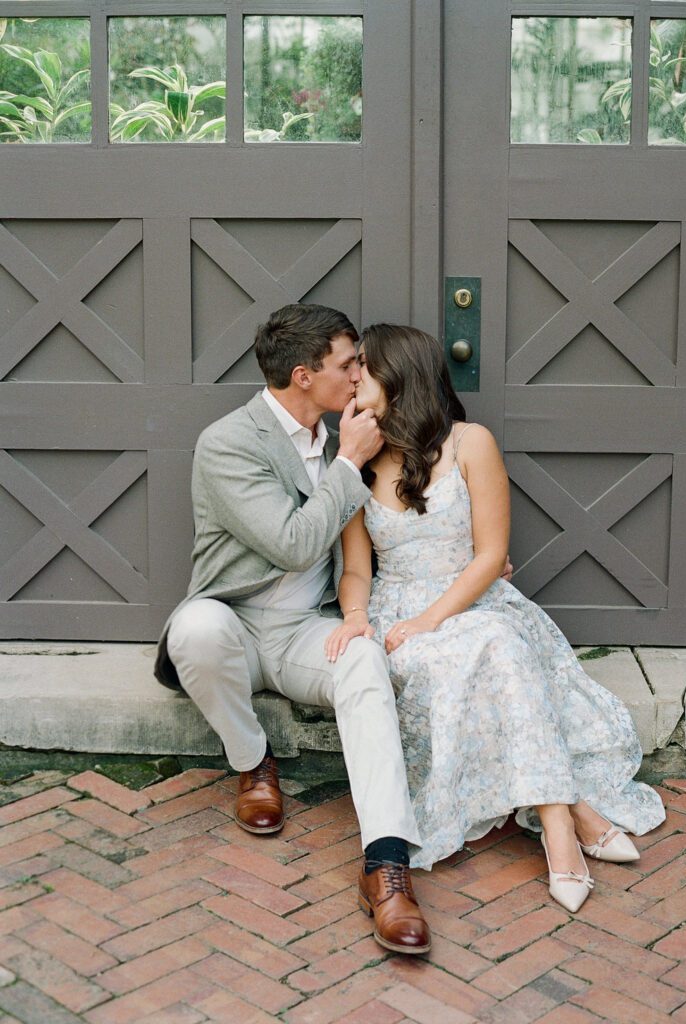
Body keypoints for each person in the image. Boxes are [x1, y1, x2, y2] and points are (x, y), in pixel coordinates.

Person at [325, 324, 665, 913]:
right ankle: (574, 814)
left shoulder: (470, 442)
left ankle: (559, 827)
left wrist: (434, 618)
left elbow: (490, 555)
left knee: (498, 642)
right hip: (397, 610)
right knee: (486, 654)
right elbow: (356, 569)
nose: (354, 378)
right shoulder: (357, 459)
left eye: (365, 369)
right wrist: (357, 616)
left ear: (400, 377)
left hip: (469, 599)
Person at [154, 304, 431, 954]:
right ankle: (253, 764)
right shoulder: (227, 443)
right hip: (237, 630)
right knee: (193, 628)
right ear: (304, 376)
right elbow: (291, 544)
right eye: (349, 364)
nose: (362, 374)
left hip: (310, 630)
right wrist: (347, 467)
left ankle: (387, 866)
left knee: (363, 662)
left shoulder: (350, 435)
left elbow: (406, 515)